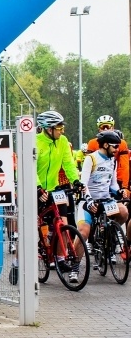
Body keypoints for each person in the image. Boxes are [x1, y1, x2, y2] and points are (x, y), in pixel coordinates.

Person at [77, 129, 130, 277]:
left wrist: (119, 191)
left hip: (105, 201)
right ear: (105, 145)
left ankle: (110, 238)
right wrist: (88, 199)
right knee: (83, 232)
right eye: (115, 146)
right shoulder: (91, 159)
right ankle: (74, 266)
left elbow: (113, 185)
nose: (117, 149)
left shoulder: (112, 160)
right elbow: (83, 183)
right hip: (89, 201)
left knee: (124, 212)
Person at [36, 110, 81, 273]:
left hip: (55, 189)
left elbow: (68, 164)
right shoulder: (35, 142)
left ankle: (61, 258)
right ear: (48, 129)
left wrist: (76, 180)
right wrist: (37, 187)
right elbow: (28, 167)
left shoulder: (62, 141)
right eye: (59, 127)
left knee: (62, 222)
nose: (62, 130)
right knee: (29, 227)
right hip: (35, 188)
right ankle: (18, 262)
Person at [87, 115, 129, 189]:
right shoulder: (92, 143)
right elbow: (88, 166)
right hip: (98, 179)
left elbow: (124, 166)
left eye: (108, 126)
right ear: (99, 129)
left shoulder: (121, 143)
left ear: (112, 128)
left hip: (116, 177)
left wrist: (124, 186)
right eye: (103, 127)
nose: (106, 129)